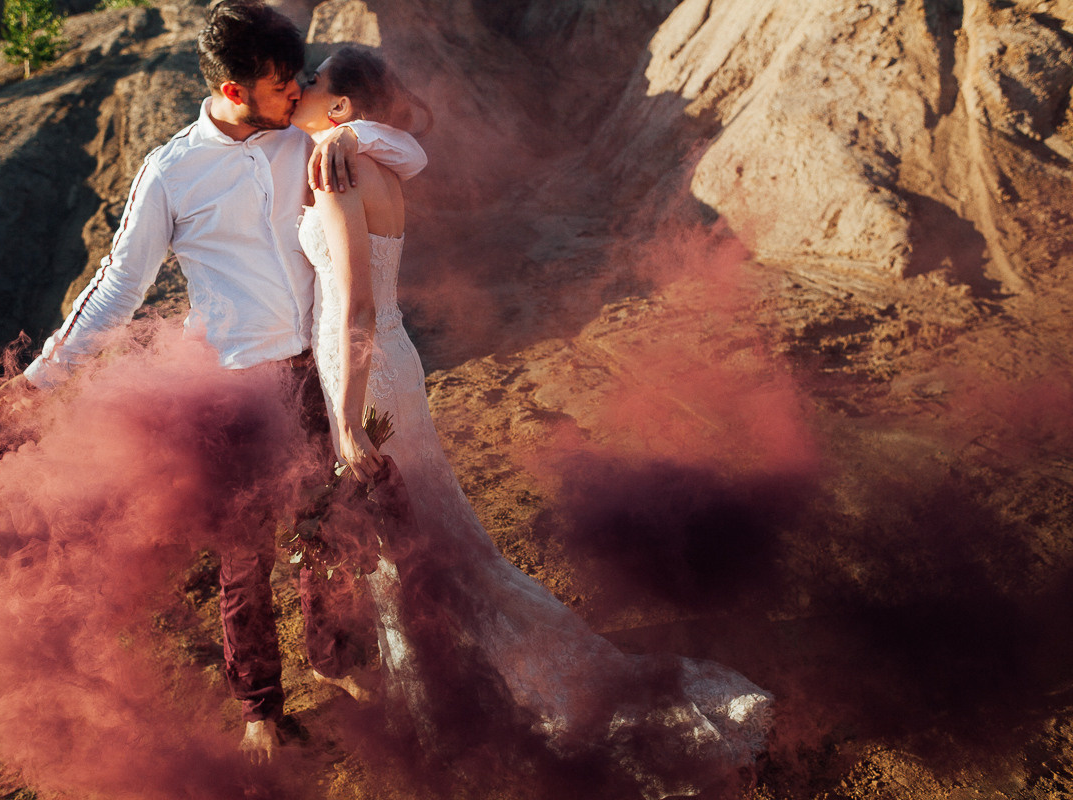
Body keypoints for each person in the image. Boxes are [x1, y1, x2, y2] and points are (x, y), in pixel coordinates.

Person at [292, 47, 774, 797]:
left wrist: (350, 424)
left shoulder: (337, 167)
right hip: (386, 357)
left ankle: (450, 716)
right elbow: (401, 165)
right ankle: (455, 689)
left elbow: (352, 308)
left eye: (313, 83)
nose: (300, 87)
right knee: (427, 536)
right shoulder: (366, 155)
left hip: (365, 369)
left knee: (398, 545)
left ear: (341, 109)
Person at [0, 1, 428, 762]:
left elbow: (408, 152)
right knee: (242, 557)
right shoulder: (171, 172)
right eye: (279, 82)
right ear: (232, 87)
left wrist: (349, 136)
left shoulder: (305, 136)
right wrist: (36, 380)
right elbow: (118, 287)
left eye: (299, 79)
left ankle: (338, 664)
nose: (295, 93)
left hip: (316, 369)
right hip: (230, 384)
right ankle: (260, 706)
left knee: (329, 533)